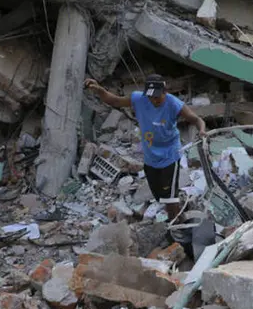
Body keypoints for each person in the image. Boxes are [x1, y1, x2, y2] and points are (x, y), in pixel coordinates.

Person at [84, 74, 206, 220]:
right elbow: (114, 101)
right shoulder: (138, 99)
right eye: (151, 97)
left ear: (165, 91)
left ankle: (176, 225)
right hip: (150, 158)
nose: (154, 100)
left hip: (170, 156)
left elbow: (196, 119)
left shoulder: (173, 104)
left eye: (157, 97)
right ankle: (177, 217)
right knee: (160, 196)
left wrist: (202, 130)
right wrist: (99, 90)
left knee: (170, 198)